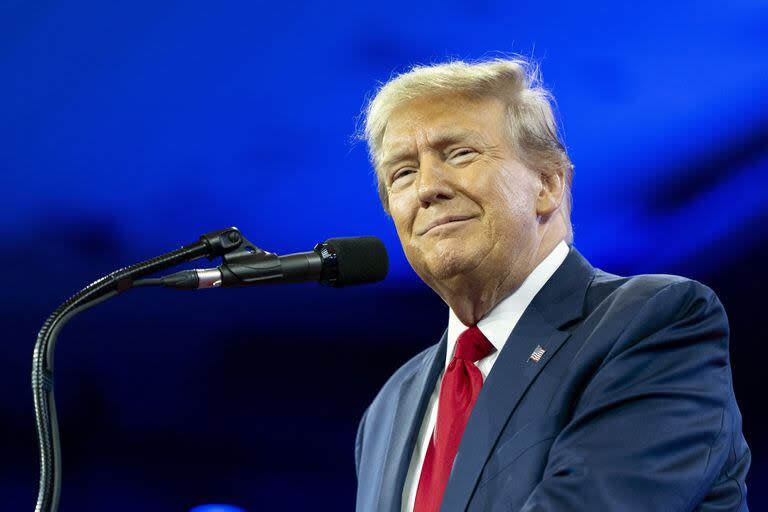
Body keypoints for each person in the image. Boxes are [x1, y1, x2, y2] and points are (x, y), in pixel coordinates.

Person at [353, 58, 751, 512]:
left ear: (547, 183)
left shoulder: (655, 322)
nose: (427, 188)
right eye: (402, 172)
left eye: (459, 153)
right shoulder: (389, 409)